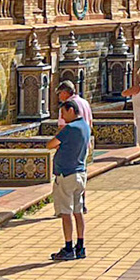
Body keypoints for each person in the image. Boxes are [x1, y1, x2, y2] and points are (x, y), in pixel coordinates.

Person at [47, 78, 92, 261]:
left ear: (71, 110)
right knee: (78, 211)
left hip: (66, 175)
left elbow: (50, 144)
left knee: (66, 213)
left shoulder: (70, 128)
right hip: (80, 173)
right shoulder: (85, 127)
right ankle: (80, 246)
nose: (62, 117)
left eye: (63, 113)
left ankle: (68, 248)